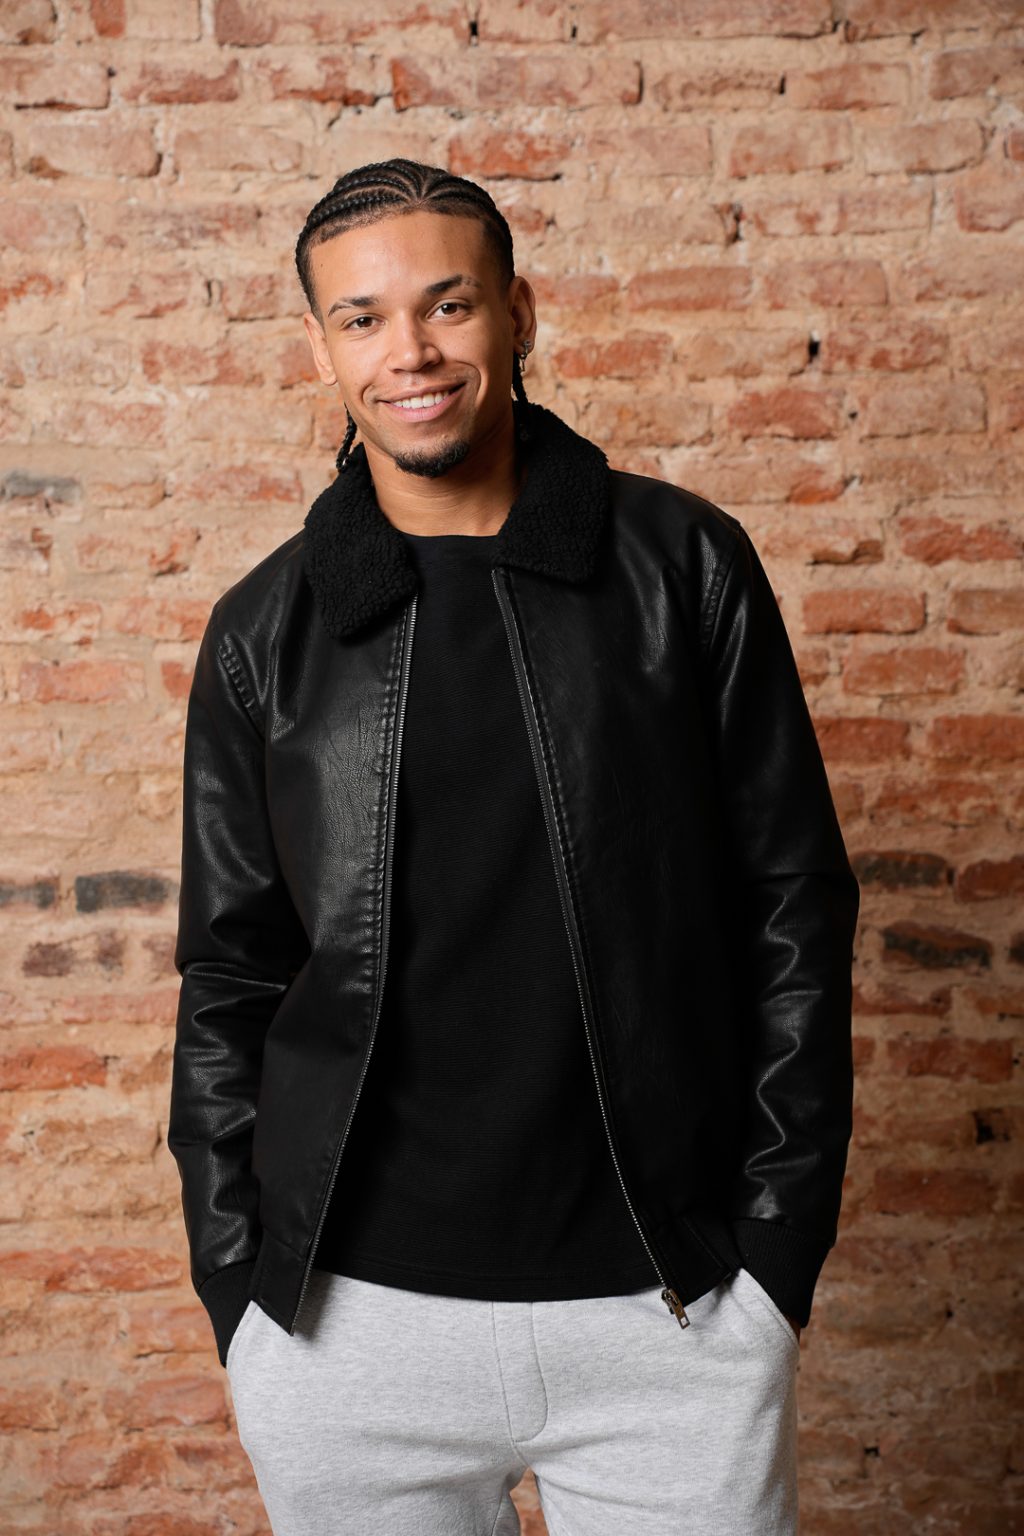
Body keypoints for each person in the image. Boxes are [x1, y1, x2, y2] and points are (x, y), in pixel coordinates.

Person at [168, 158, 860, 1535]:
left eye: (447, 305)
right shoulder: (265, 632)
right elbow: (230, 977)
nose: (409, 353)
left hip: (668, 1314)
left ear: (518, 314)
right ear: (319, 348)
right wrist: (242, 1287)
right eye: (362, 318)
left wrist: (774, 1257)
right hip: (349, 1331)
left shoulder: (683, 567)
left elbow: (793, 907)